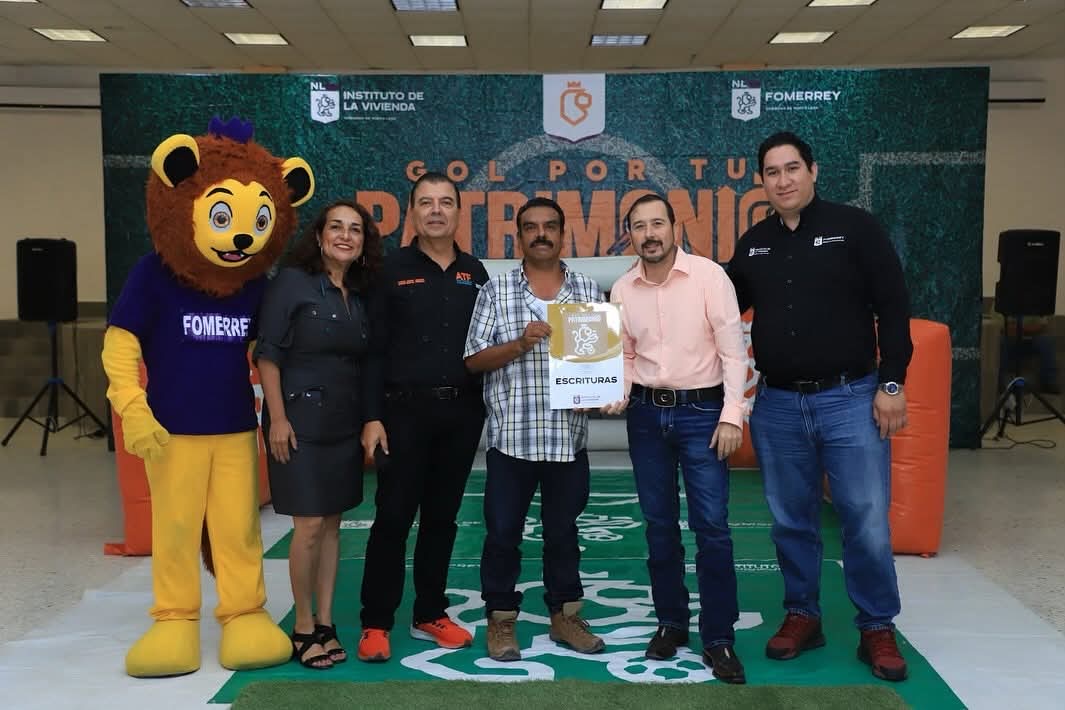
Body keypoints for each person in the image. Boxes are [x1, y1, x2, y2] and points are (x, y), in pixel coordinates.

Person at [727, 131, 913, 682]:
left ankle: (876, 625)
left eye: (792, 168)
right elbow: (719, 310)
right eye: (772, 172)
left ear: (813, 171)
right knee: (790, 521)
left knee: (865, 518)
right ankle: (803, 615)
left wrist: (892, 384)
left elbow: (894, 305)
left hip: (851, 399)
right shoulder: (754, 243)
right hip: (779, 404)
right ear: (761, 182)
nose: (783, 180)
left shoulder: (855, 228)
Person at [604, 193, 749, 684]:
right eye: (639, 226)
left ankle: (719, 636)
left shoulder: (709, 277)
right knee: (659, 526)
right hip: (646, 416)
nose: (649, 234)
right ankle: (671, 622)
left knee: (712, 527)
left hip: (704, 414)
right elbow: (625, 355)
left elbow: (734, 353)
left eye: (657, 224)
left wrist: (732, 416)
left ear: (674, 229)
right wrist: (618, 389)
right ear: (630, 235)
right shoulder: (623, 288)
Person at [464, 197, 607, 662]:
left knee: (563, 533)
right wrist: (519, 343)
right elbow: (473, 360)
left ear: (563, 234)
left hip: (567, 440)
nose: (540, 233)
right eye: (530, 227)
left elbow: (599, 366)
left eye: (549, 226)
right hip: (512, 438)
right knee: (502, 534)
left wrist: (601, 389)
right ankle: (501, 620)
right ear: (519, 235)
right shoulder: (496, 290)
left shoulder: (587, 289)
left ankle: (565, 617)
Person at [357, 172, 489, 662]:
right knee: (393, 518)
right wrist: (372, 416)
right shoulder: (388, 270)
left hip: (461, 413)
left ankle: (430, 612)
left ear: (458, 212)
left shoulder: (475, 272)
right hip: (402, 414)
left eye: (446, 202)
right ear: (411, 212)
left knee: (442, 519)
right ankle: (376, 622)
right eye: (426, 202)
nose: (436, 211)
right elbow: (372, 351)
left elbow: (488, 345)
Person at [254, 199, 382, 669]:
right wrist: (278, 418)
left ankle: (326, 623)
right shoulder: (292, 282)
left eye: (355, 229)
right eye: (337, 227)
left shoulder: (359, 293)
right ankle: (303, 627)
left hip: (343, 424)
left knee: (331, 526)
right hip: (298, 423)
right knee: (307, 527)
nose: (346, 236)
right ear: (319, 236)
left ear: (364, 242)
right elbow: (268, 353)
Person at [997, 314, 1060, 395]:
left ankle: (1049, 382)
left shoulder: (1036, 306)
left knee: (1046, 341)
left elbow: (1042, 326)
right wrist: (1016, 329)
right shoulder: (1002, 306)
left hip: (1030, 340)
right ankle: (1001, 383)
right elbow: (999, 326)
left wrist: (1020, 328)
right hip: (1009, 340)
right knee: (1001, 342)